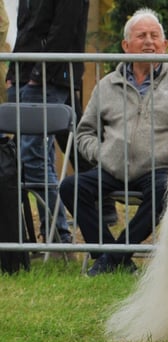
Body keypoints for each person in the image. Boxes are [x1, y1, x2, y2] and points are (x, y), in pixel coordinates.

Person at [59, 8, 168, 276]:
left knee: (164, 192)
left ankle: (114, 257)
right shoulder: (107, 85)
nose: (148, 41)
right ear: (126, 46)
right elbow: (84, 132)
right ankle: (112, 257)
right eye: (141, 35)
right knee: (71, 187)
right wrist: (101, 153)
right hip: (112, 167)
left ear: (163, 45)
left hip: (159, 168)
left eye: (154, 35)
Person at [5, 0, 90, 244]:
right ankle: (46, 234)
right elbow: (26, 29)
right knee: (26, 160)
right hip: (24, 75)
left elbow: (64, 28)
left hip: (47, 77)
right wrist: (14, 74)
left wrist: (40, 74)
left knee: (34, 157)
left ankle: (58, 235)